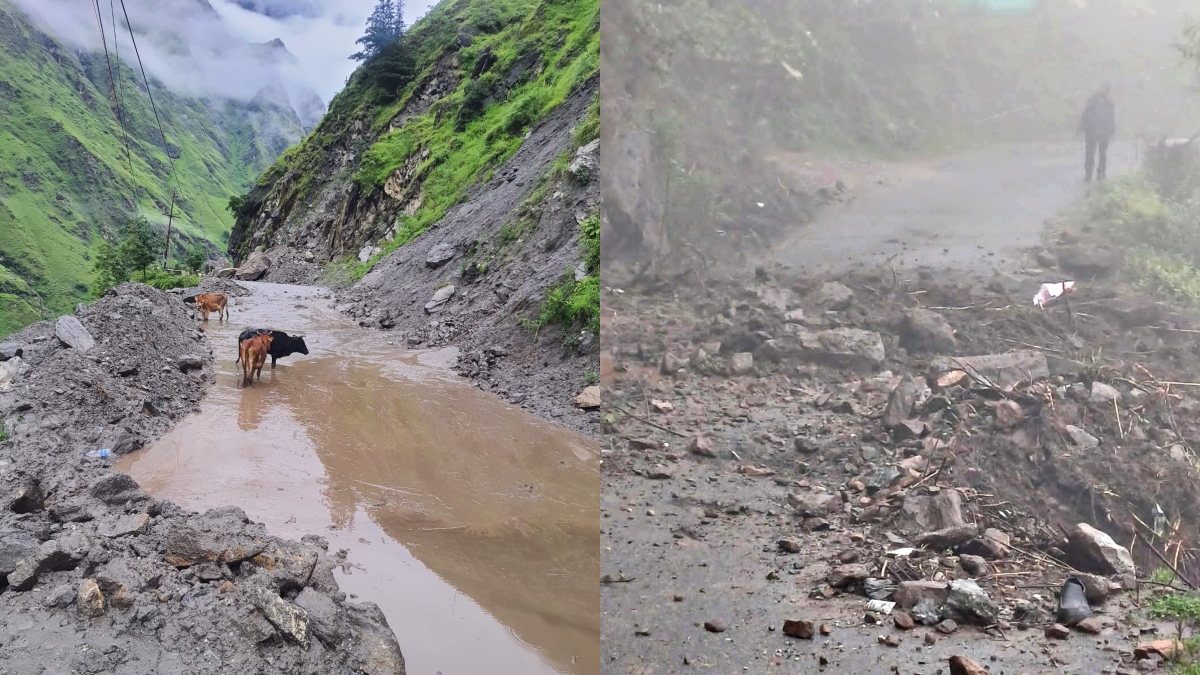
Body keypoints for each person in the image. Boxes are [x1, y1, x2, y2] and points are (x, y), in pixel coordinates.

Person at [1078, 85, 1116, 181]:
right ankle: (1100, 173)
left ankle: (1089, 173)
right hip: (1103, 131)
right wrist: (1112, 129)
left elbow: (1085, 115)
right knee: (1101, 153)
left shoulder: (1091, 101)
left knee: (1091, 153)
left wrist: (1080, 128)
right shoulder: (1108, 103)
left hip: (1092, 131)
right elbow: (1111, 118)